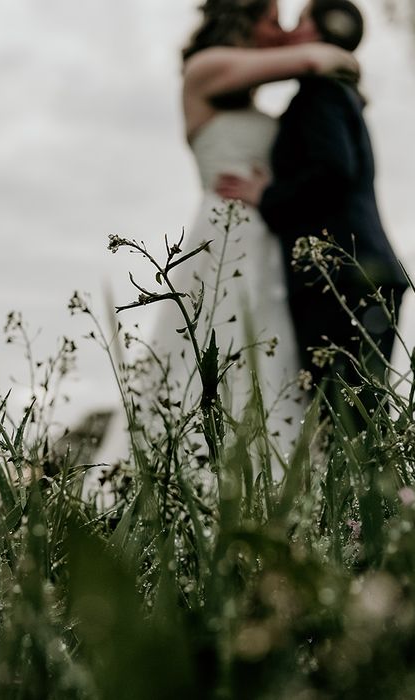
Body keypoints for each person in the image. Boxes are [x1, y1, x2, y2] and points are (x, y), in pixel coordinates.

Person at [94, 0, 360, 472]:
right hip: (225, 235)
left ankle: (266, 479)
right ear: (244, 18)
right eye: (273, 20)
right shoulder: (204, 70)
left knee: (269, 358)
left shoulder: (252, 95)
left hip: (271, 241)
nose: (280, 31)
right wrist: (335, 51)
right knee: (211, 354)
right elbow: (317, 60)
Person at [216, 0, 408, 429]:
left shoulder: (319, 94)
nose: (289, 31)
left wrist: (267, 195)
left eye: (298, 22)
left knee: (346, 420)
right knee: (357, 418)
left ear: (316, 34)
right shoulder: (337, 95)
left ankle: (381, 497)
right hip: (363, 270)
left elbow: (331, 172)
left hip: (343, 275)